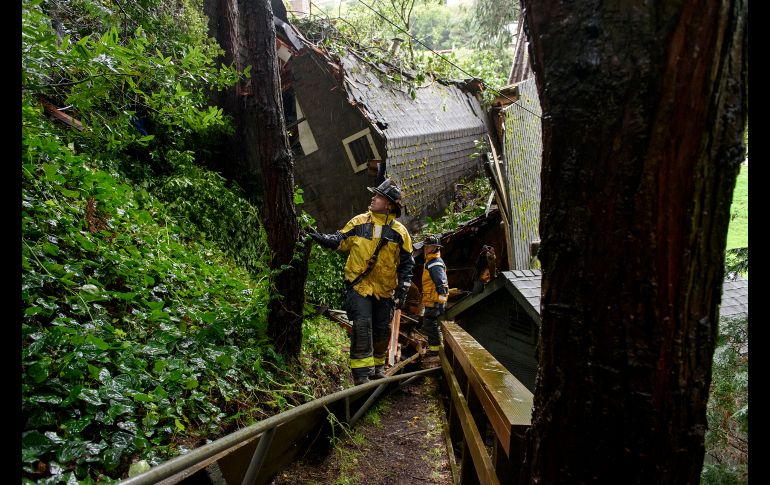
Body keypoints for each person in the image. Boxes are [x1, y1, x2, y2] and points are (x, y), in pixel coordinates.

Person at [308, 179, 414, 385]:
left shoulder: (400, 232)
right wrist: (318, 237)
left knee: (382, 329)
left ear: (389, 204)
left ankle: (377, 368)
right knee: (362, 326)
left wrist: (403, 290)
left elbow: (407, 263)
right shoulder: (359, 222)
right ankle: (361, 375)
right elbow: (339, 240)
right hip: (359, 287)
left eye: (378, 196)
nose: (373, 198)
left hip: (384, 291)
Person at [416, 235, 448, 354]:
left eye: (427, 246)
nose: (425, 248)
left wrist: (441, 302)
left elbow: (442, 284)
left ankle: (436, 350)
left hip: (434, 301)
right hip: (431, 299)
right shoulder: (431, 261)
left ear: (435, 247)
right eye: (424, 246)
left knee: (430, 325)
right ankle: (435, 348)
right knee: (430, 324)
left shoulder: (435, 264)